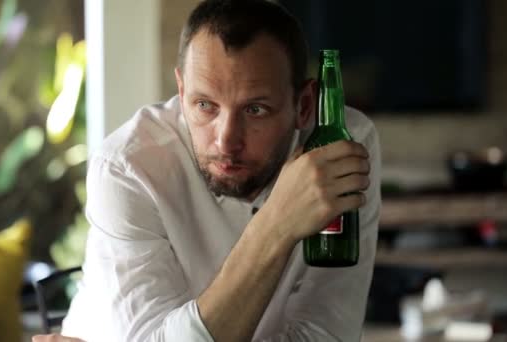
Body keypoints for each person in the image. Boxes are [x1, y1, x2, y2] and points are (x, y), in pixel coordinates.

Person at [34, 0, 380, 341]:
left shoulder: (339, 145)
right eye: (204, 105)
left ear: (304, 105)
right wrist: (277, 224)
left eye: (255, 109)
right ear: (182, 92)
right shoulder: (127, 166)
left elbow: (325, 335)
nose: (226, 140)